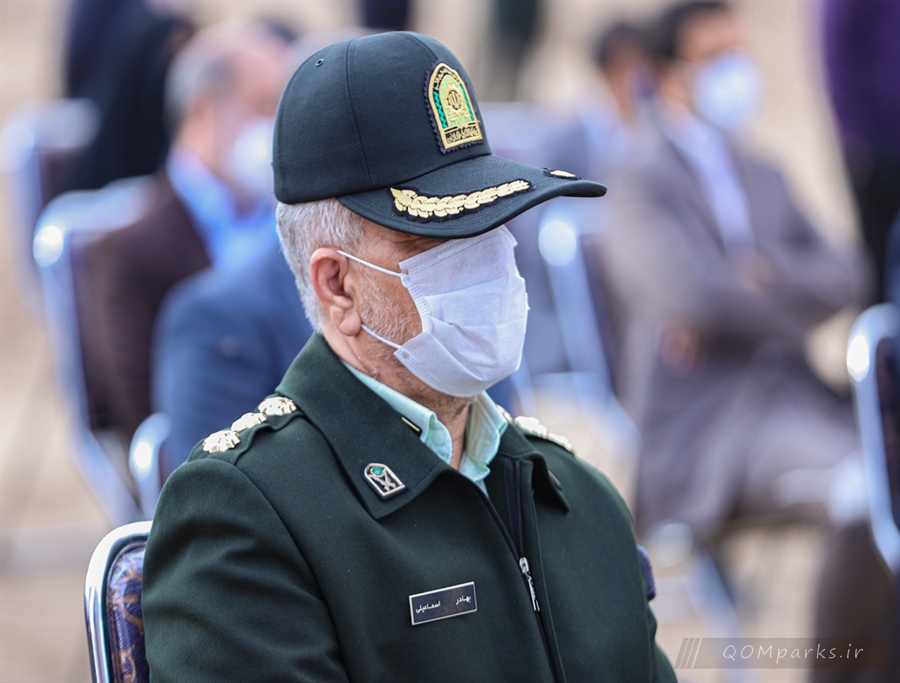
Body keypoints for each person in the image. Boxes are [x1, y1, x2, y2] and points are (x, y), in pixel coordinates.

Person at [142, 31, 676, 682]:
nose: (491, 259)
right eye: (438, 237)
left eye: (496, 222)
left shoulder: (577, 495)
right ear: (338, 286)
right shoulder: (247, 515)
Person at [602, 2, 897, 678]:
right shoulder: (637, 177)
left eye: (739, 53)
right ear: (667, 76)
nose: (735, 72)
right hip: (711, 431)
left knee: (890, 478)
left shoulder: (762, 169)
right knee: (865, 492)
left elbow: (848, 271)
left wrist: (762, 279)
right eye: (714, 59)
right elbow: (693, 297)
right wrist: (787, 303)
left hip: (798, 402)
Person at [78, 21, 291, 449]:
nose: (276, 128)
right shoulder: (128, 252)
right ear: (206, 110)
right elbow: (152, 425)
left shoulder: (292, 216)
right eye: (263, 105)